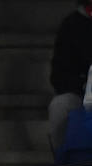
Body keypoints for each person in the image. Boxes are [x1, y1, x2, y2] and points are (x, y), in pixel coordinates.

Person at [48, 0, 92, 157]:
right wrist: (83, 84)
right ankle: (65, 163)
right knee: (59, 106)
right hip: (81, 94)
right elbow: (59, 75)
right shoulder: (72, 25)